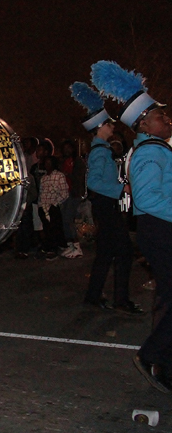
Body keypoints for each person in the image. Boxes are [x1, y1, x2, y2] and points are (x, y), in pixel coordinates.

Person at [91, 60, 169, 392]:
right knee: (114, 256)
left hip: (150, 223)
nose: (166, 118)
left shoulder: (152, 148)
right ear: (144, 123)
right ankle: (153, 355)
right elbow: (97, 183)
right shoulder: (147, 152)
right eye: (159, 116)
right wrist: (121, 191)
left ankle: (161, 361)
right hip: (152, 225)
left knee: (119, 260)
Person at [70, 81, 139, 313]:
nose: (112, 127)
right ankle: (121, 299)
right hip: (107, 206)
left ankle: (94, 295)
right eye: (108, 124)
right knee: (124, 252)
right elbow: (94, 182)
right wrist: (122, 190)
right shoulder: (101, 151)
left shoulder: (100, 150)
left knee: (106, 253)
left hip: (105, 206)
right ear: (100, 127)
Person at [59, 139, 86, 258]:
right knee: (64, 220)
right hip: (64, 193)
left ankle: (77, 246)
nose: (66, 150)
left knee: (68, 219)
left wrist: (68, 175)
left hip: (73, 193)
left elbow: (79, 177)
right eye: (64, 148)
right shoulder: (63, 161)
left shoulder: (77, 161)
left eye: (68, 148)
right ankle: (70, 245)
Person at [38, 156, 69, 260]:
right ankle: (48, 248)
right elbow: (41, 193)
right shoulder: (44, 178)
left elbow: (65, 193)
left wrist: (55, 204)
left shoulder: (59, 176)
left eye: (49, 163)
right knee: (46, 228)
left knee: (54, 228)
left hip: (53, 206)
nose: (47, 165)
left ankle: (53, 249)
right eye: (46, 163)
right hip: (43, 205)